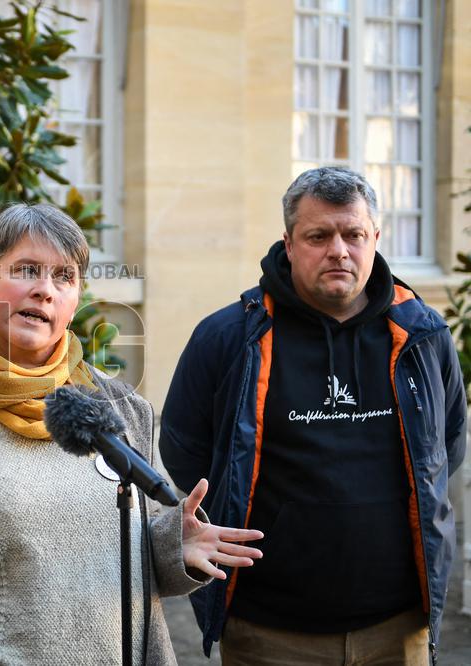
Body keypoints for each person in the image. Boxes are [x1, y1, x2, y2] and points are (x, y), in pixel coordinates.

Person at [0, 203, 263, 665]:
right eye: (26, 270)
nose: (44, 290)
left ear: (76, 299)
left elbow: (133, 551)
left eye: (64, 276)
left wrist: (171, 544)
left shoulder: (119, 407)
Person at [159, 166, 466, 664]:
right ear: (288, 241)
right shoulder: (229, 337)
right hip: (269, 631)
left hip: (398, 627)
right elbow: (184, 448)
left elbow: (446, 446)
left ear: (376, 239)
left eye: (354, 234)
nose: (339, 250)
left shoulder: (423, 336)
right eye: (318, 236)